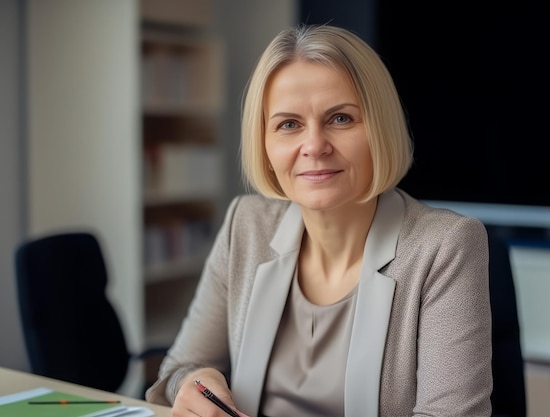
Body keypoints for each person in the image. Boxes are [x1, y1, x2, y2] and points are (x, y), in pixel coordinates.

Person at [145, 23, 493, 417]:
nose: (313, 146)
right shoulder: (247, 224)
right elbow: (178, 368)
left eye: (341, 119)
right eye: (288, 124)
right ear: (265, 142)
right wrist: (194, 383)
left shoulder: (445, 245)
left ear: (380, 128)